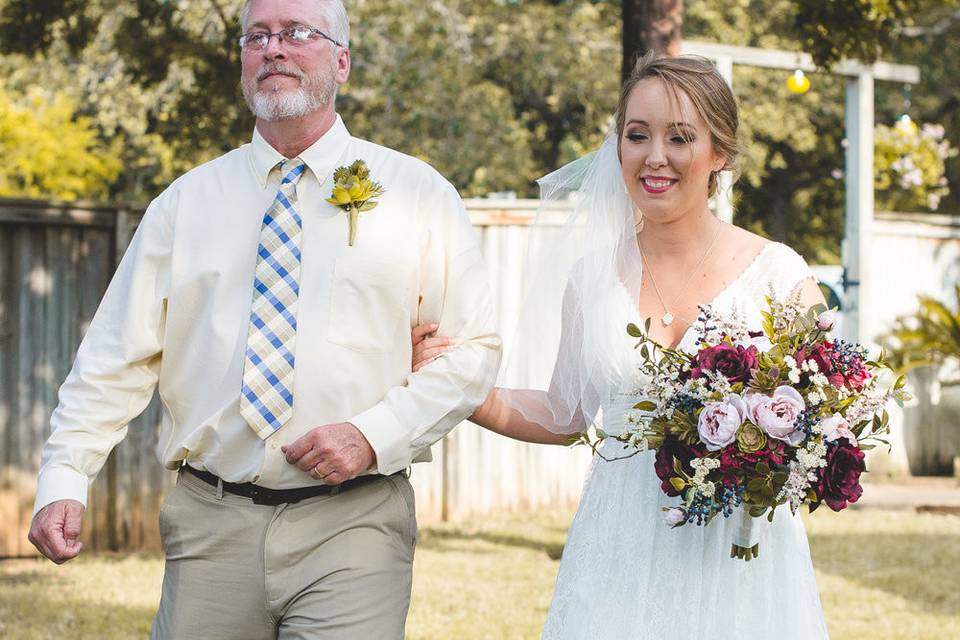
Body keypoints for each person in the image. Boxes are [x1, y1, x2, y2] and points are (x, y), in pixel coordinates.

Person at [27, 0, 501, 637]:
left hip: (355, 525)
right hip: (210, 524)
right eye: (258, 36)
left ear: (343, 61)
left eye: (298, 33)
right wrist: (65, 474)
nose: (274, 48)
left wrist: (373, 433)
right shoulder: (183, 205)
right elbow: (115, 356)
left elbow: (473, 350)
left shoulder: (418, 195)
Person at [412, 54, 830, 639]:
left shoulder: (779, 276)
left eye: (680, 137)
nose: (654, 156)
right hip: (618, 550)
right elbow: (564, 414)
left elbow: (829, 420)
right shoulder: (591, 279)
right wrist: (459, 384)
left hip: (740, 559)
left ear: (721, 153)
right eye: (637, 135)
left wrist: (764, 448)